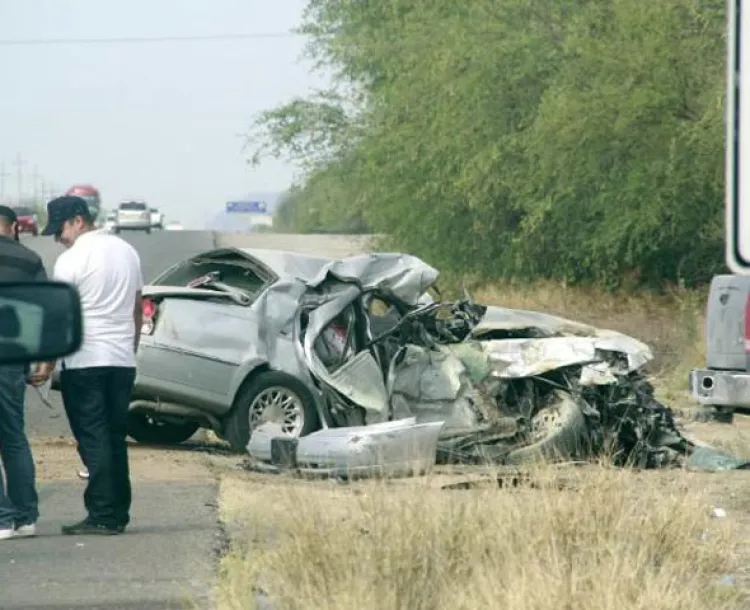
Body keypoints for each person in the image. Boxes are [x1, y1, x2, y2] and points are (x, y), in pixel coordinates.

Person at [29, 195, 143, 536]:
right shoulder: (127, 251)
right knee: (114, 436)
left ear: (79, 220)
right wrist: (129, 348)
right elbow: (138, 307)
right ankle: (118, 512)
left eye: (60, 229)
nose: (57, 238)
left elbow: (61, 315)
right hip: (121, 360)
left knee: (92, 439)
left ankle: (103, 515)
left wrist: (47, 365)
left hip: (85, 360)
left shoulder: (71, 260)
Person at [0, 204, 46, 541]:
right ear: (14, 227)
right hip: (13, 357)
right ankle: (26, 517)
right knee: (13, 436)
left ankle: (2, 519)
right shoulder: (30, 260)